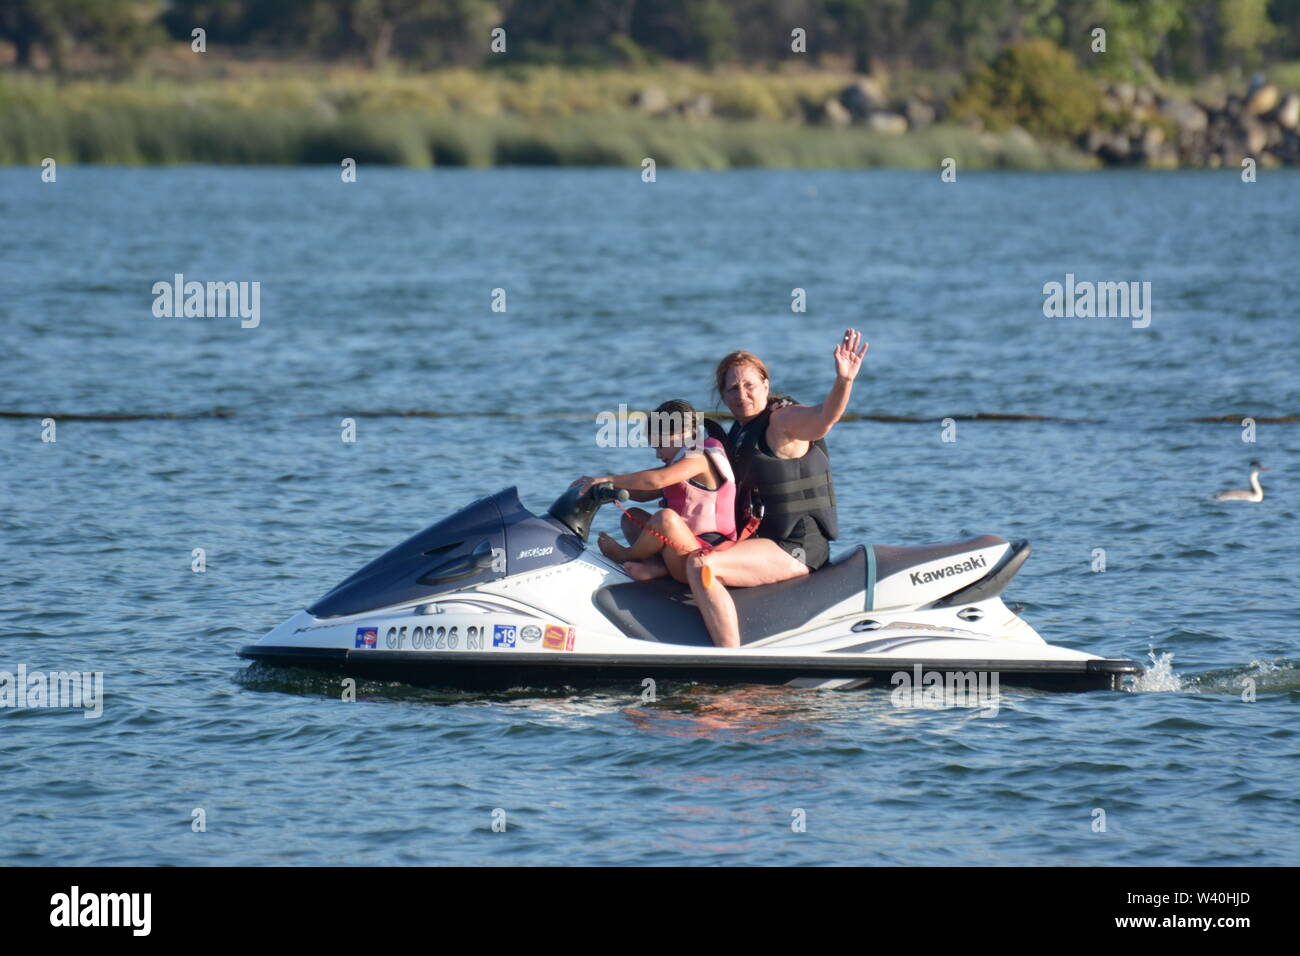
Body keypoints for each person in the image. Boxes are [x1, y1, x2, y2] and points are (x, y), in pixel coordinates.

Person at [687, 329, 867, 647]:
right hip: (762, 542)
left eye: (749, 385)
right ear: (723, 395)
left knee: (703, 566)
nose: (741, 394)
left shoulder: (782, 423)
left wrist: (844, 381)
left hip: (795, 548)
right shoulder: (740, 434)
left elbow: (824, 418)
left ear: (766, 387)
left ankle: (729, 658)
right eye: (732, 388)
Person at [574, 400, 736, 583]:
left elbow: (657, 480)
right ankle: (656, 566)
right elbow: (644, 493)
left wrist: (609, 478)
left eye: (660, 446)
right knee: (631, 516)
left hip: (702, 556)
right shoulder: (679, 464)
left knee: (664, 518)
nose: (658, 455)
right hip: (681, 548)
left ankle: (625, 555)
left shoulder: (699, 458)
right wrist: (605, 489)